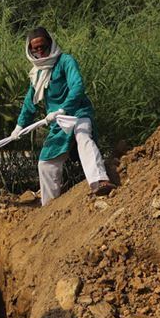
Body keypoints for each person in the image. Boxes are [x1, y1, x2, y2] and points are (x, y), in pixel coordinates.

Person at [10, 27, 115, 205]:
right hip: (58, 123)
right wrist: (19, 126)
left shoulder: (66, 61)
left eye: (43, 47)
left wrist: (63, 109)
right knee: (45, 163)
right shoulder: (37, 73)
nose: (39, 51)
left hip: (78, 113)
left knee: (83, 136)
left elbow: (77, 86)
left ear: (50, 44)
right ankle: (49, 205)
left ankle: (99, 180)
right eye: (35, 49)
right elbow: (29, 103)